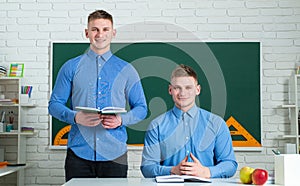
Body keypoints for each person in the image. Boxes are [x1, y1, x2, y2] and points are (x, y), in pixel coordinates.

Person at [48, 10, 147, 181]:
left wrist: (121, 120)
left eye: (105, 29)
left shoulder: (127, 70)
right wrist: (76, 117)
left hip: (115, 156)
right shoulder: (70, 67)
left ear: (113, 33)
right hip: (78, 154)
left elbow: (142, 108)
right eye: (95, 29)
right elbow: (54, 104)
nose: (100, 34)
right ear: (87, 33)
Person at [140, 64, 237, 178]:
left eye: (188, 88)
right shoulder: (157, 126)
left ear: (197, 90)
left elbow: (230, 164)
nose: (182, 93)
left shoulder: (217, 124)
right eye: (177, 88)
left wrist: (206, 172)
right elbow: (147, 167)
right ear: (170, 90)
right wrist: (173, 170)